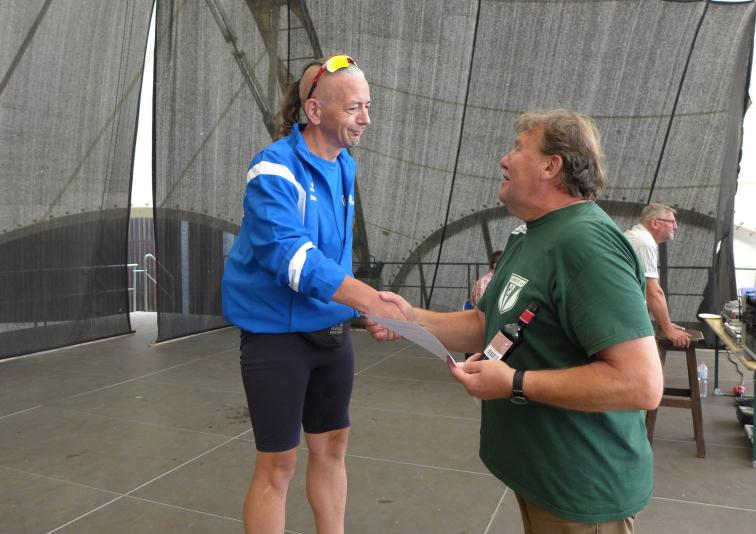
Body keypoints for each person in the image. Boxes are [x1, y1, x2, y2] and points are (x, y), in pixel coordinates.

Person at [367, 109, 663, 533]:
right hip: (542, 475)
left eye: (518, 149)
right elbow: (485, 324)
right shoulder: (529, 234)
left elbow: (640, 383)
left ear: (551, 166)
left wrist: (515, 383)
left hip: (581, 487)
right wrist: (411, 319)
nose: (504, 159)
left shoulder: (588, 243)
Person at [222, 54, 405, 534]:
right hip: (276, 337)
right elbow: (293, 258)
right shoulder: (272, 168)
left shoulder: (345, 165)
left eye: (368, 106)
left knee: (333, 447)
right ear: (315, 111)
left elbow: (334, 258)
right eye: (353, 108)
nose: (366, 119)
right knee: (278, 464)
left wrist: (361, 311)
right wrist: (368, 298)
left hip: (331, 332)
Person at [624, 203, 691, 349]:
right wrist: (668, 330)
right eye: (672, 222)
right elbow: (653, 291)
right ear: (655, 223)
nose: (676, 227)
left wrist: (666, 324)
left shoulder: (640, 237)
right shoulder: (644, 242)